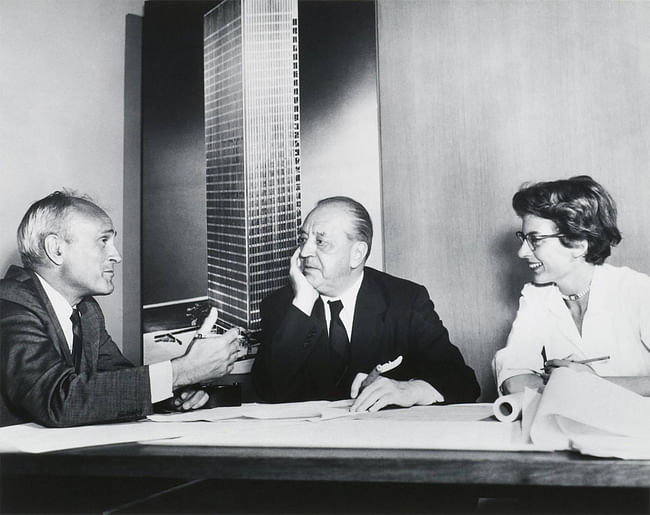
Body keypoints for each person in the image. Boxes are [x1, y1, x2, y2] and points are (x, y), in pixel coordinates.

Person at [0, 190, 241, 427]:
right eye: (103, 241)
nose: (116, 256)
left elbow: (114, 383)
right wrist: (181, 372)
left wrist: (174, 392)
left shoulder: (86, 312)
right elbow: (59, 400)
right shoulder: (9, 305)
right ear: (56, 249)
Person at [252, 196, 480, 410]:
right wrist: (302, 303)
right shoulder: (283, 306)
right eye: (303, 239)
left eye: (321, 242)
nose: (304, 252)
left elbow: (462, 382)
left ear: (357, 254)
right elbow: (266, 391)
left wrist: (410, 390)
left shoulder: (404, 301)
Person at [494, 175, 650, 396]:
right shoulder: (536, 296)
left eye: (535, 240)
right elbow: (512, 375)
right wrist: (566, 386)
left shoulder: (637, 290)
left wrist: (595, 385)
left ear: (578, 244)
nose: (522, 252)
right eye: (523, 239)